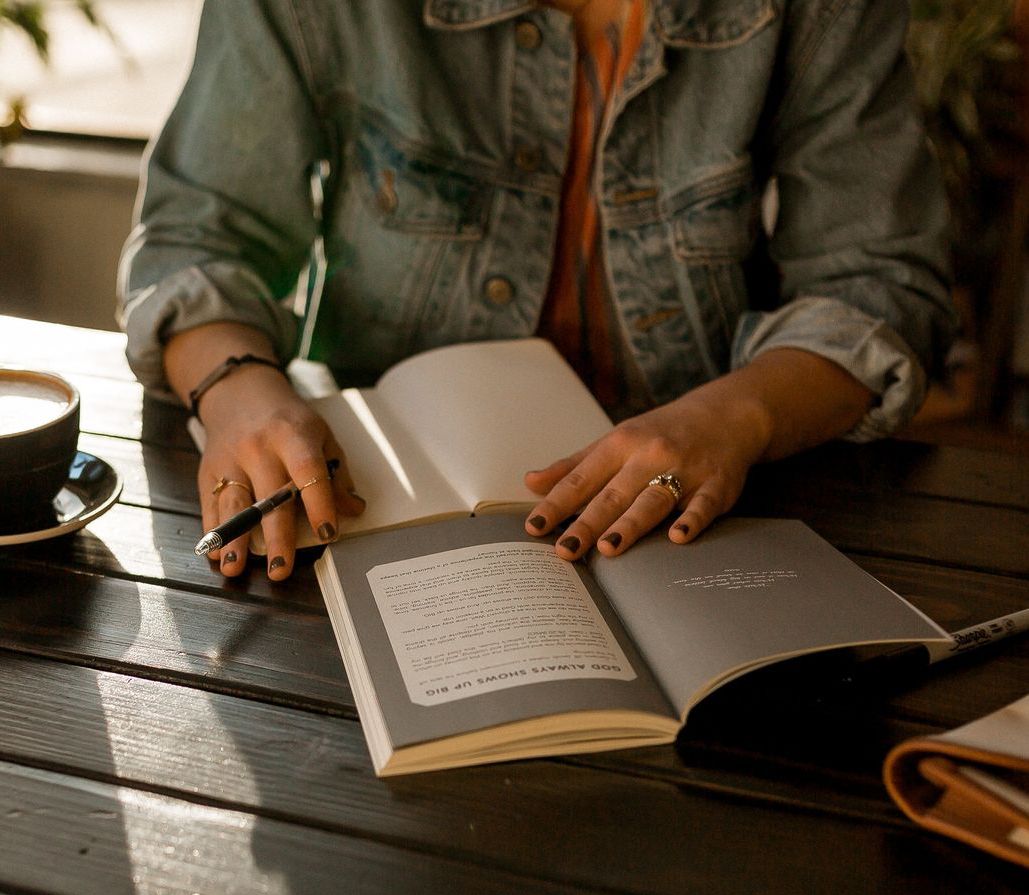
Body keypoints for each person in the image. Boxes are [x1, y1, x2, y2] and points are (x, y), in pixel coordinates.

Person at [118, 0, 955, 580]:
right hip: (376, 504)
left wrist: (730, 419)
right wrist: (241, 396)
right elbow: (203, 231)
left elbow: (876, 285)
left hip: (704, 515)